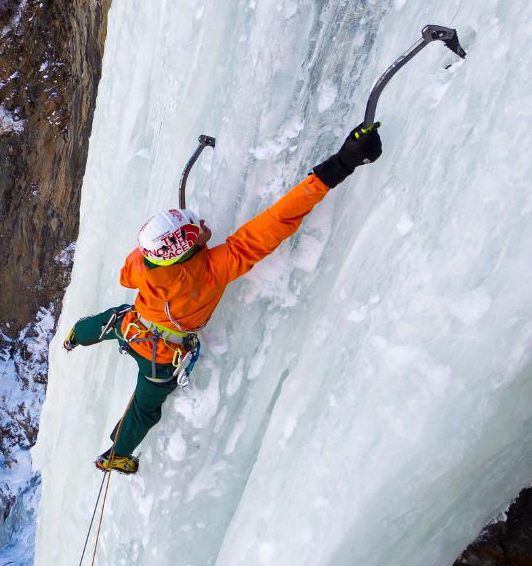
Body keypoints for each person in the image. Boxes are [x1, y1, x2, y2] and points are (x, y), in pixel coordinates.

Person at [63, 123, 383, 474]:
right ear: (185, 248)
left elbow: (129, 272)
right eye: (194, 227)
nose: (201, 222)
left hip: (133, 326)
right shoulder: (216, 267)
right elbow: (274, 223)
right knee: (143, 409)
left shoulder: (142, 264)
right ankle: (116, 455)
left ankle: (78, 333)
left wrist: (185, 242)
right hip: (162, 357)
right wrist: (338, 166)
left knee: (111, 320)